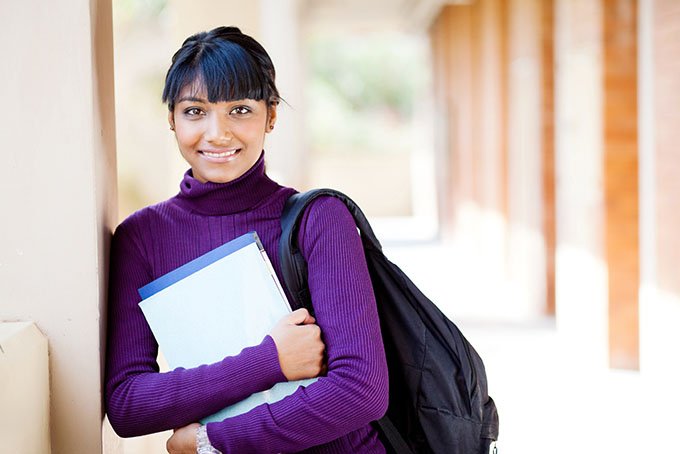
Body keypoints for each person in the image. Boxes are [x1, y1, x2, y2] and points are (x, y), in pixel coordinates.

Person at [105, 26, 388, 453]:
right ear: (171, 119)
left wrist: (210, 441)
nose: (218, 134)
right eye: (195, 111)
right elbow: (127, 403)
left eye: (240, 109)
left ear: (271, 115)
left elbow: (362, 390)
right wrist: (269, 361)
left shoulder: (318, 219)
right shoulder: (142, 237)